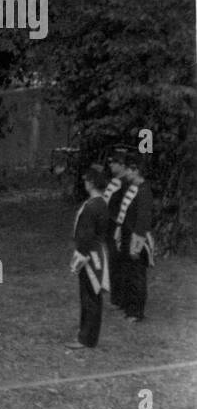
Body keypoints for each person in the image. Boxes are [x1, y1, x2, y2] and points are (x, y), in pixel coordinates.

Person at [67, 164, 111, 350]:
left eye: (86, 180)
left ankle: (86, 338)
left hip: (89, 256)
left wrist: (79, 258)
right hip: (96, 253)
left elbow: (85, 236)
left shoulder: (92, 207)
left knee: (89, 297)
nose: (84, 182)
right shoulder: (101, 203)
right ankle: (87, 335)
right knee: (92, 297)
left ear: (92, 182)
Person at [114, 155, 155, 323]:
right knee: (128, 273)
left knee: (137, 275)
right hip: (127, 236)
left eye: (129, 171)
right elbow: (124, 213)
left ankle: (137, 312)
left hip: (137, 239)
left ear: (136, 171)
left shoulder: (144, 191)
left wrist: (136, 245)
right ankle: (128, 305)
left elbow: (143, 221)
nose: (127, 174)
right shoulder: (133, 187)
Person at [103, 145, 130, 311]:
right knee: (113, 261)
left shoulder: (125, 184)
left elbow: (124, 208)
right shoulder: (114, 181)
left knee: (118, 261)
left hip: (117, 226)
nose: (111, 166)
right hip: (109, 225)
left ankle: (121, 298)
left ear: (122, 165)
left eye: (114, 163)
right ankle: (116, 297)